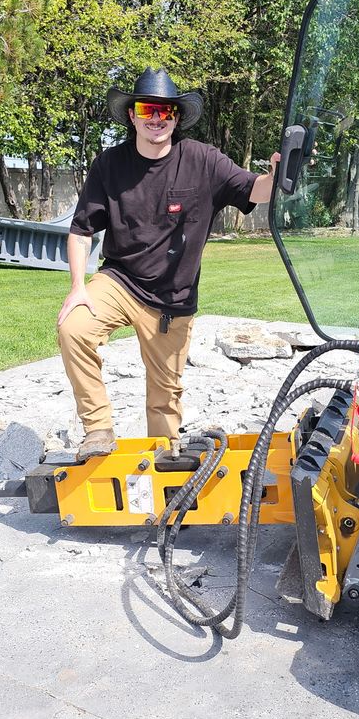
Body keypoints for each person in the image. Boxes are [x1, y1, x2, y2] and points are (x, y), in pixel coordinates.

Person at [57, 67, 279, 461]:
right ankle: (98, 429)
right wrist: (77, 288)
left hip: (173, 298)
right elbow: (80, 230)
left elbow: (254, 189)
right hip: (120, 281)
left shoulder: (202, 160)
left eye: (166, 111)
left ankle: (162, 467)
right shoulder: (109, 165)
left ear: (176, 117)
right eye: (147, 109)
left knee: (164, 398)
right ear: (132, 115)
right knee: (74, 327)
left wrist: (278, 176)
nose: (156, 118)